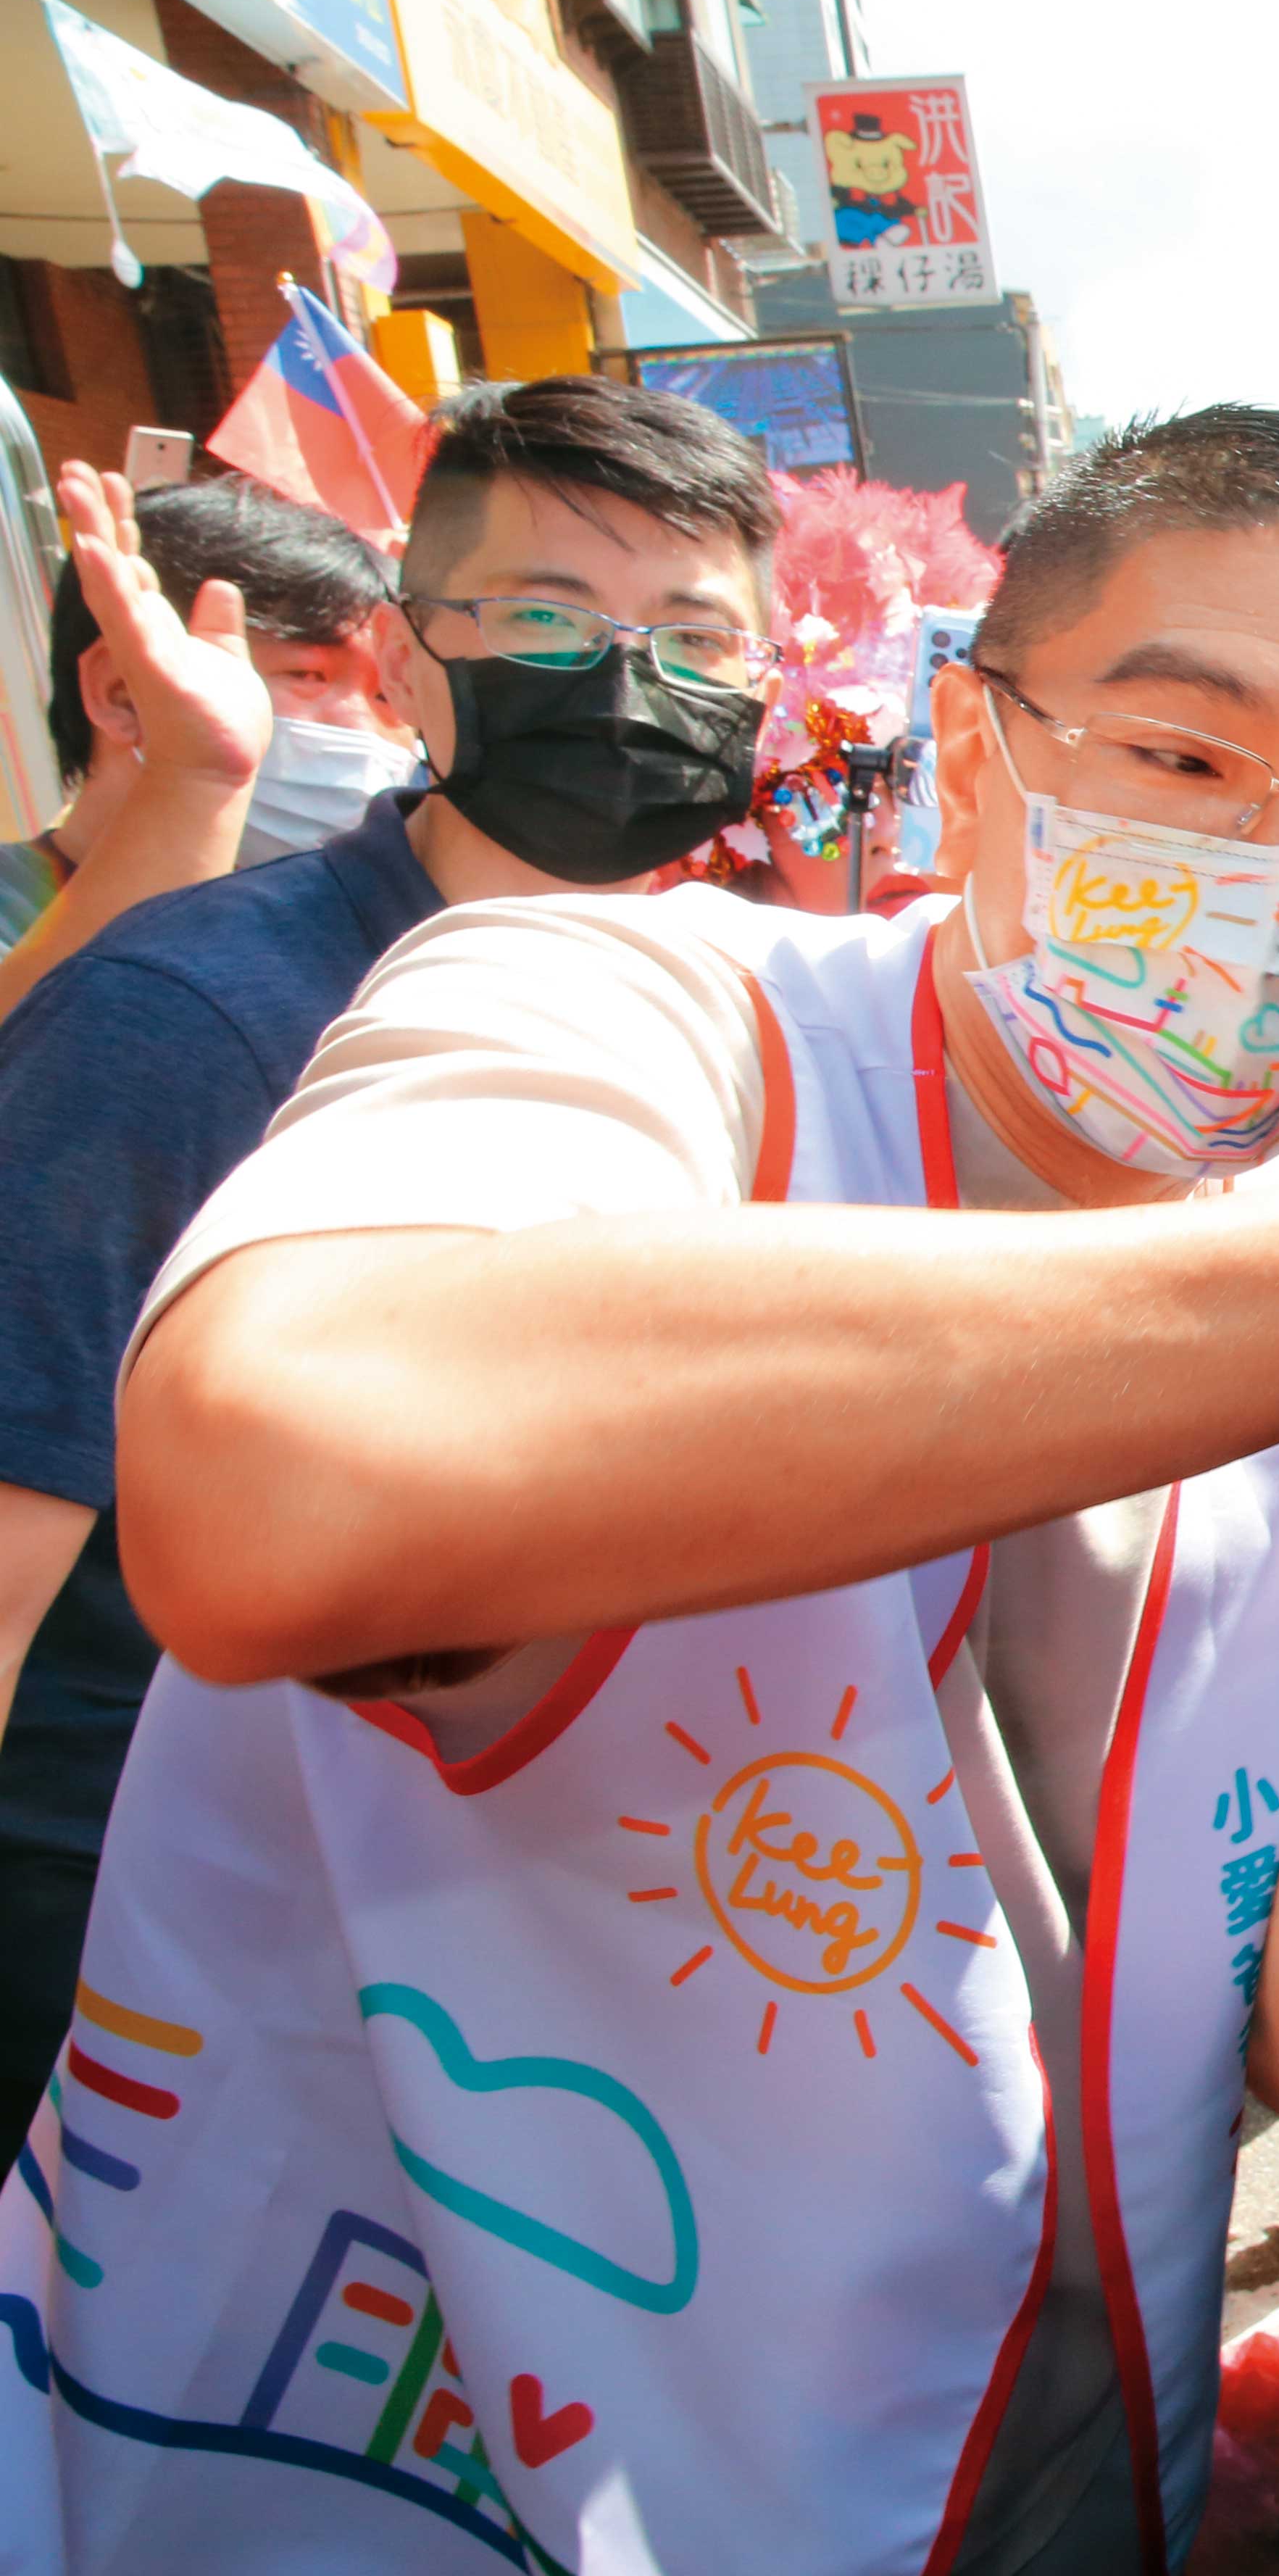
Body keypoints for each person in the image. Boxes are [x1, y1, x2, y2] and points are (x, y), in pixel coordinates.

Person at [1, 404, 1279, 2572]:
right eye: (1181, 759)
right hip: (383, 2474)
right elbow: (274, 1485)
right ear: (971, 758)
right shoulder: (635, 1009)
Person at [0, 383, 787, 2132]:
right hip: (161, 2025)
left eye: (688, 634)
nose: (619, 678)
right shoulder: (189, 1020)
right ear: (407, 655)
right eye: (542, 617)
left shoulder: (772, 1026)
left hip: (550, 1982)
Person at [0, 472, 416, 1020]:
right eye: (308, 674)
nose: (363, 729)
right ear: (122, 694)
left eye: (388, 695)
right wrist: (195, 778)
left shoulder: (391, 941)